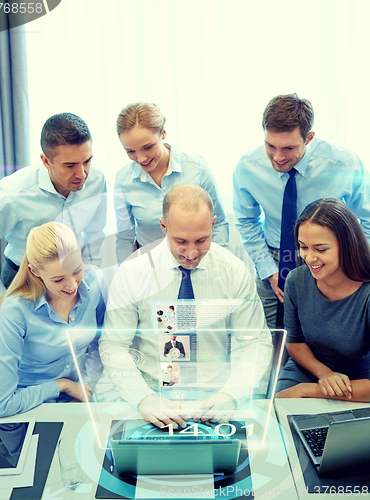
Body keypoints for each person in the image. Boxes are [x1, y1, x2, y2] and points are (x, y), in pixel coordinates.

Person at [99, 185, 272, 429]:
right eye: (180, 241)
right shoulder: (133, 271)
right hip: (150, 390)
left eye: (201, 240)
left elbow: (256, 342)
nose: (191, 253)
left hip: (214, 395)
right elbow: (114, 345)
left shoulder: (234, 271)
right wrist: (143, 398)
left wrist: (232, 394)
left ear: (213, 225)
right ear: (163, 227)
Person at [233, 94, 370, 329]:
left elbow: (366, 218)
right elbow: (247, 221)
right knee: (266, 337)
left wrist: (351, 263)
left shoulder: (343, 163)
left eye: (288, 148)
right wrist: (269, 270)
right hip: (274, 257)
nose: (277, 157)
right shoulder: (248, 166)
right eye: (270, 146)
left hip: (330, 258)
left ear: (309, 138)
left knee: (326, 336)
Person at [0, 112, 107, 317]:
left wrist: (90, 276)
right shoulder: (12, 193)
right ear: (46, 161)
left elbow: (95, 232)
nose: (82, 174)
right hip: (25, 281)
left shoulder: (97, 179)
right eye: (70, 165)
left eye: (87, 161)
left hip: (74, 278)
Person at [0, 222, 105, 418]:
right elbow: (2, 405)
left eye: (77, 270)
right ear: (34, 271)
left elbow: (100, 342)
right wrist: (63, 386)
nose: (72, 286)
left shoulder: (95, 283)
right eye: (58, 279)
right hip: (28, 407)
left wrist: (85, 385)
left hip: (79, 402)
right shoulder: (16, 309)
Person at [275, 199, 370, 401]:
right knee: (277, 415)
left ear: (347, 245)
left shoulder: (367, 293)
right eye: (303, 247)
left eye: (320, 249)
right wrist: (324, 374)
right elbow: (295, 342)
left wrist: (308, 390)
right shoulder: (296, 281)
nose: (309, 258)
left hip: (362, 380)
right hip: (308, 367)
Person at [114, 103, 229, 263]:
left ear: (163, 133)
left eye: (147, 147)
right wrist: (125, 275)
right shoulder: (123, 180)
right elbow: (125, 238)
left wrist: (217, 266)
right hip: (151, 267)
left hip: (198, 262)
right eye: (130, 151)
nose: (140, 158)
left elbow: (219, 223)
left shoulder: (197, 168)